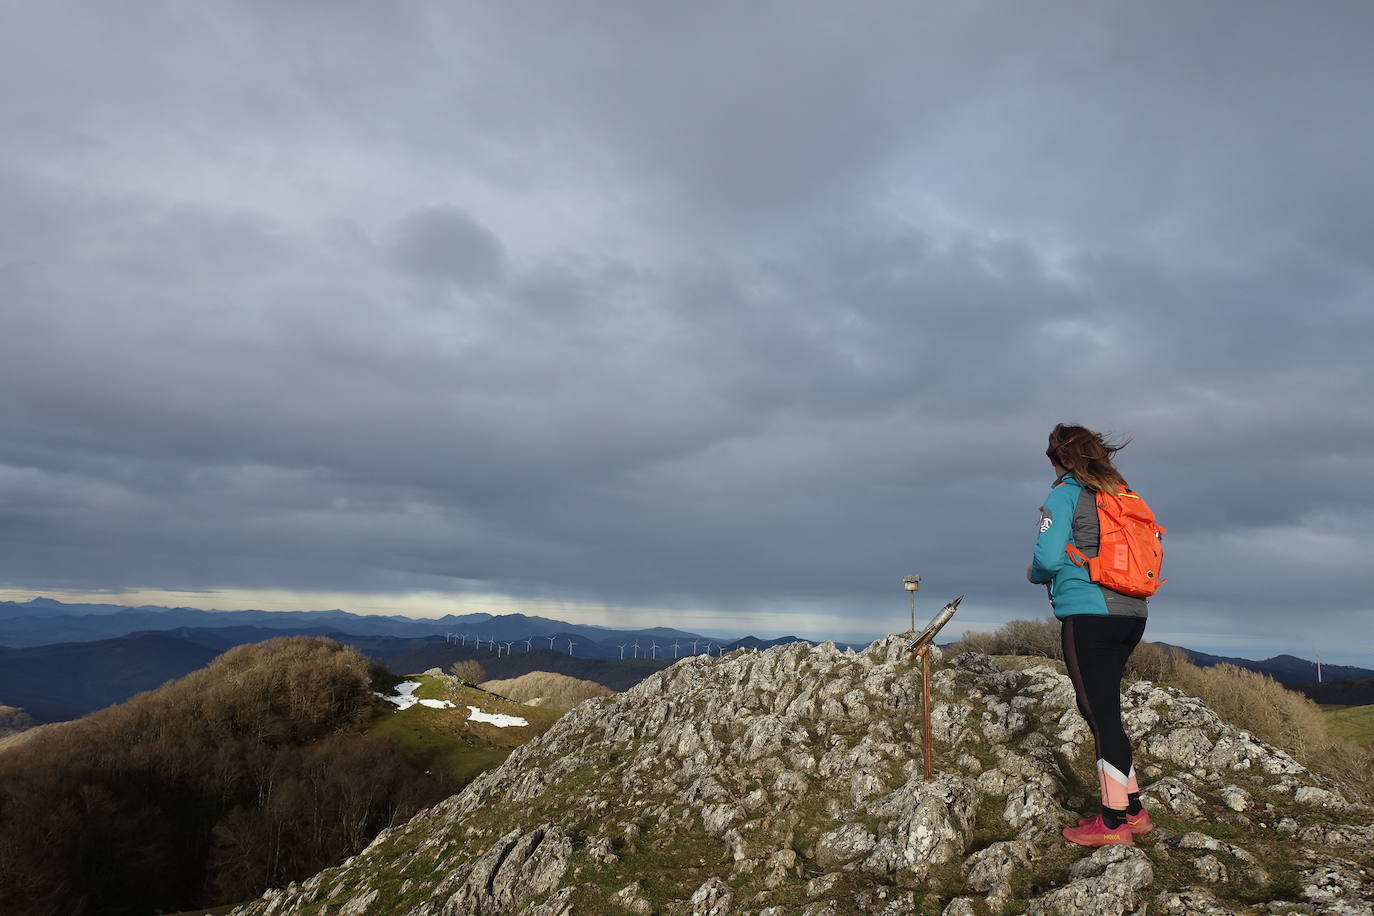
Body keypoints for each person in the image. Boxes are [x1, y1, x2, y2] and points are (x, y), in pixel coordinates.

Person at [1027, 423, 1153, 847]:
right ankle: (1133, 810)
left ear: (1054, 459)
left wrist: (1035, 573)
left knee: (1100, 716)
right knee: (1107, 713)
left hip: (1089, 612)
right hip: (1132, 613)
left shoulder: (1065, 494)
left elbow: (1045, 557)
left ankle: (1114, 822)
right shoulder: (1120, 494)